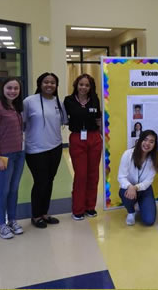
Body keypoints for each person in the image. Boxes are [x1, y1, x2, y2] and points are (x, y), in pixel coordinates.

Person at [23, 72, 66, 229]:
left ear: (56, 86)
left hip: (55, 147)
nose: (49, 85)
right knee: (40, 182)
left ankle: (44, 213)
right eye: (46, 82)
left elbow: (66, 120)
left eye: (53, 83)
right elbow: (20, 122)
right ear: (40, 84)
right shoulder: (29, 102)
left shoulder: (58, 102)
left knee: (49, 181)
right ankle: (36, 215)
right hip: (35, 149)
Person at [0, 78, 25, 239]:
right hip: (4, 155)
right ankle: (1, 224)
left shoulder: (15, 106)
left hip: (19, 154)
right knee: (3, 190)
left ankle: (13, 221)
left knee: (14, 189)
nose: (12, 91)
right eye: (9, 88)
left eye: (16, 88)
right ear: (3, 88)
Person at [64, 73, 102, 221]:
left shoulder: (95, 100)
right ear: (76, 85)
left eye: (87, 85)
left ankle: (90, 207)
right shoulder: (68, 101)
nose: (84, 87)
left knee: (93, 174)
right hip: (77, 138)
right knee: (81, 175)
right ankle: (78, 208)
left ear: (90, 87)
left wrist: (102, 136)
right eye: (81, 84)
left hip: (93, 137)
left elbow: (98, 119)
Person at [118, 130, 158, 226]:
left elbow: (148, 181)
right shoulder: (128, 154)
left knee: (149, 221)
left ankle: (140, 204)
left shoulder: (154, 159)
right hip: (128, 188)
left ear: (154, 145)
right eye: (145, 140)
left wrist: (136, 187)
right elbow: (121, 177)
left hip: (144, 189)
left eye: (151, 141)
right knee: (126, 194)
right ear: (140, 140)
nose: (147, 143)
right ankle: (131, 211)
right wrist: (130, 186)